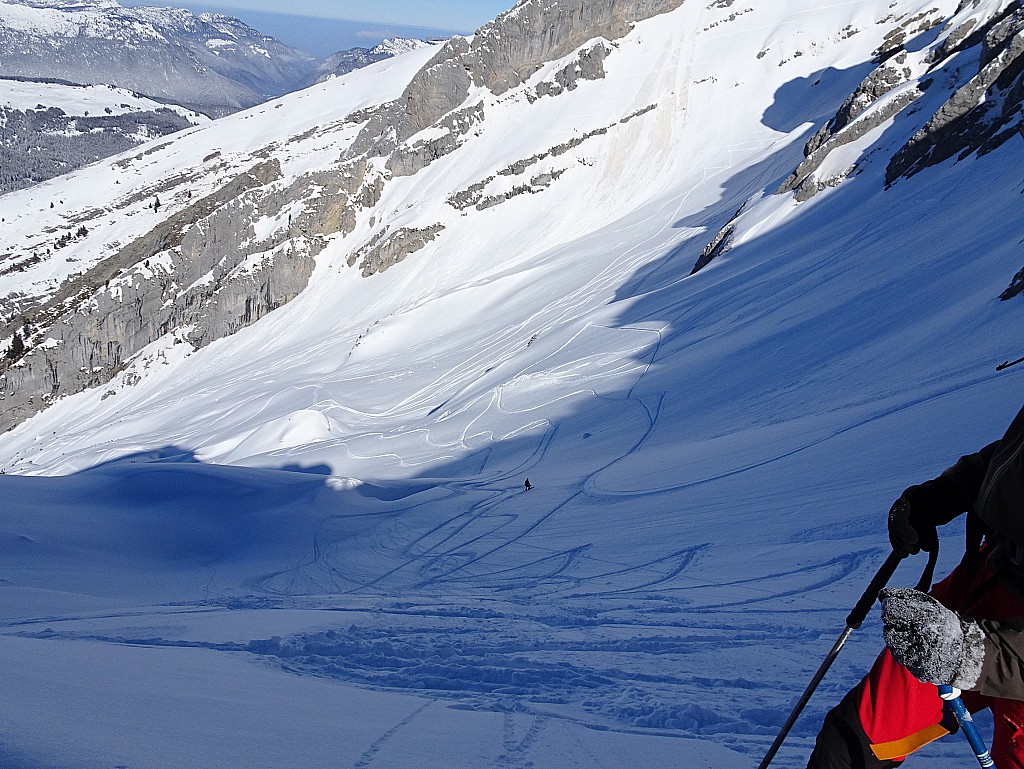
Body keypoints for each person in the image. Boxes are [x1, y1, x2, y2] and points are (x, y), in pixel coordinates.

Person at [807, 402, 1024, 769]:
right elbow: (1010, 454)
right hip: (990, 580)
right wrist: (942, 495)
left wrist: (966, 653)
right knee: (852, 743)